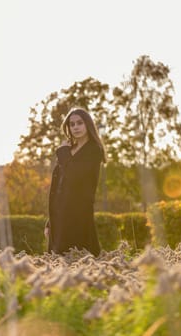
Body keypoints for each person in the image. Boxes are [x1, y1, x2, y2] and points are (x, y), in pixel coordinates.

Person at [44, 107, 106, 256]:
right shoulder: (68, 150)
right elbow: (59, 186)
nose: (75, 127)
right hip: (59, 215)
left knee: (79, 261)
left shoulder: (93, 150)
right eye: (72, 124)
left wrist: (63, 152)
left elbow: (74, 175)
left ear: (88, 125)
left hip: (79, 215)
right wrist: (50, 222)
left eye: (80, 123)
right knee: (56, 266)